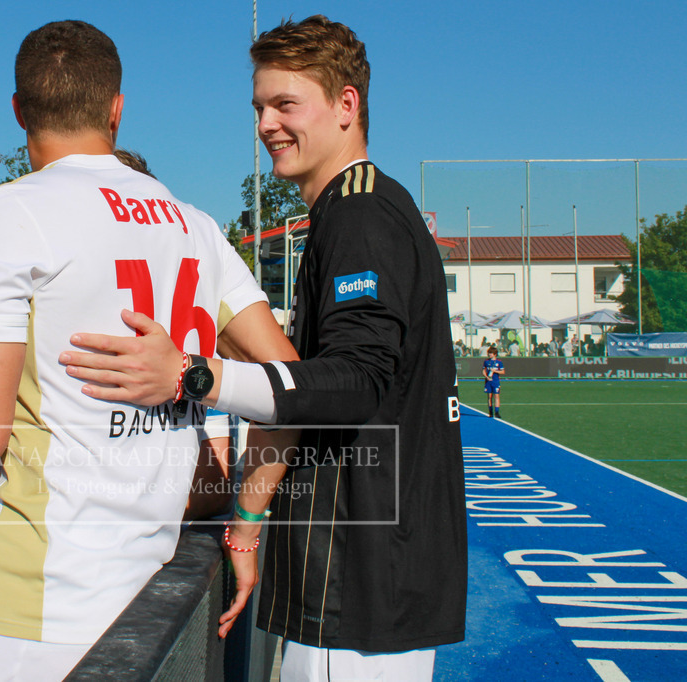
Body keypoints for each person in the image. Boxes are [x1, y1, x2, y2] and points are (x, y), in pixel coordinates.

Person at [60, 16, 466, 681]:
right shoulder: (352, 210)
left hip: (358, 587)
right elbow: (308, 386)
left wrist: (196, 376)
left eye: (285, 104)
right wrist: (248, 520)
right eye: (259, 107)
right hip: (363, 581)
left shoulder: (360, 215)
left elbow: (353, 383)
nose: (266, 125)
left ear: (346, 106)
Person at [0, 21, 285, 681]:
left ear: (19, 111)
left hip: (29, 615)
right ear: (116, 108)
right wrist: (247, 512)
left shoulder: (10, 210)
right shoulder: (197, 227)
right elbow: (296, 385)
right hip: (150, 613)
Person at [483, 345, 505, 418]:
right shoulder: (486, 361)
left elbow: (503, 372)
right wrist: (486, 377)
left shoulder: (499, 362)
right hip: (488, 381)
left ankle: (497, 412)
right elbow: (483, 370)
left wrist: (495, 371)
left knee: (496, 396)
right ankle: (490, 412)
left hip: (495, 381)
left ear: (495, 354)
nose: (489, 354)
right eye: (489, 353)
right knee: (489, 397)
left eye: (491, 353)